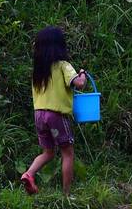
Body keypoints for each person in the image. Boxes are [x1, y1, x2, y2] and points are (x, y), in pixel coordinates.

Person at [21, 26, 88, 196]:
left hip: (39, 115)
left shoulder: (38, 70)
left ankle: (29, 174)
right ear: (60, 45)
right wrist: (82, 76)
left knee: (48, 152)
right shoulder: (63, 66)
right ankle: (66, 195)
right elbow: (78, 84)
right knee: (68, 153)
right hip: (56, 115)